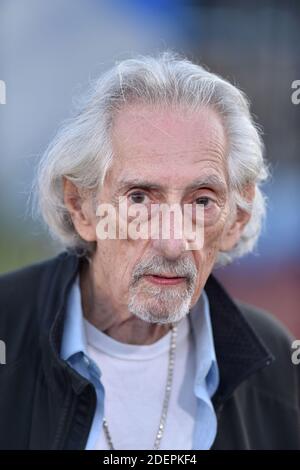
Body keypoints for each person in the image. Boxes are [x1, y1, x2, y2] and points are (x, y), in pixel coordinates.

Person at [0, 52, 299, 450]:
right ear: (81, 207)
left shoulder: (274, 359)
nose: (173, 243)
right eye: (139, 198)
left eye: (202, 201)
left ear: (236, 219)